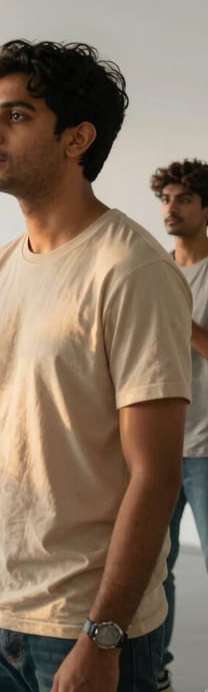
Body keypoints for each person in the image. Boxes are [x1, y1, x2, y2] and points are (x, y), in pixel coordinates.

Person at [0, 40, 192, 692]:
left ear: (77, 139)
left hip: (87, 626)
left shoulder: (132, 271)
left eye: (16, 116)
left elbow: (156, 474)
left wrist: (103, 636)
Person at [149, 159, 208, 692]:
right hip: (159, 446)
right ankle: (154, 670)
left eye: (184, 199)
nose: (171, 208)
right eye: (166, 199)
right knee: (152, 569)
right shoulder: (157, 270)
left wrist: (182, 321)